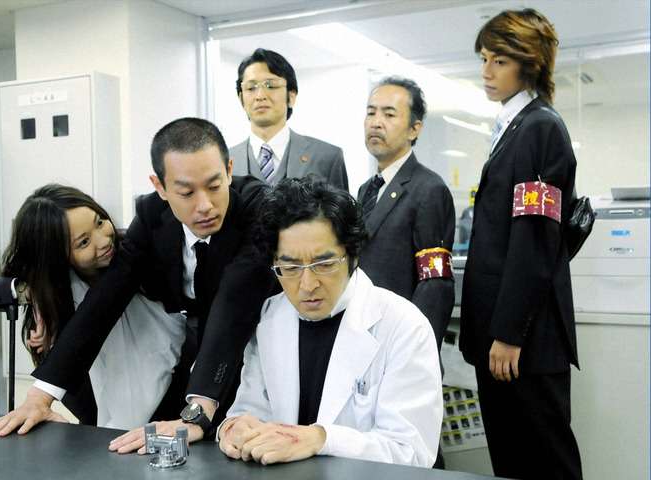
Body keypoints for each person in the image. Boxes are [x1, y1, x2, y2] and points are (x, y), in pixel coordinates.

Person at [0, 118, 277, 454]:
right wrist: (40, 397)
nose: (205, 205)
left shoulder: (257, 206)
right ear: (161, 187)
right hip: (190, 347)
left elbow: (235, 300)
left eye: (214, 185)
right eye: (186, 192)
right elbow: (106, 298)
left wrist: (198, 412)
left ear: (229, 170)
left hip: (255, 344)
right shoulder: (152, 214)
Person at [218, 177, 442, 467]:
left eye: (324, 264)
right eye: (290, 267)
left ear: (352, 255)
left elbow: (411, 452)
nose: (307, 284)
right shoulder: (270, 318)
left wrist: (322, 439)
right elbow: (251, 409)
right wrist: (234, 428)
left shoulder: (404, 326)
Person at [0, 184, 185, 429]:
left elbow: (104, 301)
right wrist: (26, 291)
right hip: (97, 431)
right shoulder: (55, 291)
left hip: (173, 413)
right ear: (56, 255)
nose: (103, 241)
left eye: (99, 222)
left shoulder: (136, 253)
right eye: (83, 242)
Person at [459, 9, 582, 480]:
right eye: (484, 59)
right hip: (501, 335)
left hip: (521, 340)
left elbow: (534, 239)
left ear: (529, 64)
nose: (486, 71)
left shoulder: (539, 128)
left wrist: (509, 333)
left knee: (546, 462)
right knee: (511, 461)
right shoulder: (513, 126)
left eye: (500, 61)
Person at [358, 77, 455, 351]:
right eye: (371, 113)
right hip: (365, 336)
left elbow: (435, 284)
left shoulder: (429, 189)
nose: (376, 122)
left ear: (414, 129)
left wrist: (417, 349)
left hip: (401, 342)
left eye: (389, 114)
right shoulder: (367, 189)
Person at [229, 48, 348, 191]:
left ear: (291, 96)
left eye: (271, 86)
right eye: (251, 88)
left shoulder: (327, 157)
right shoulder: (224, 161)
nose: (260, 96)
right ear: (241, 99)